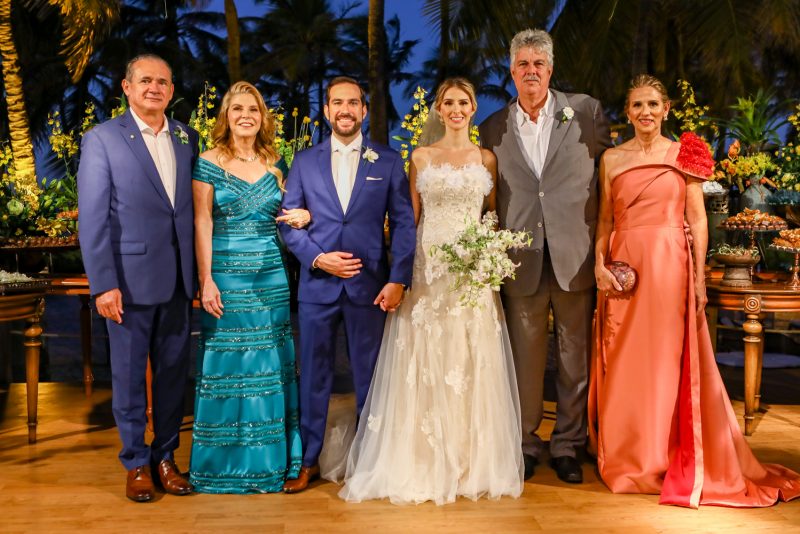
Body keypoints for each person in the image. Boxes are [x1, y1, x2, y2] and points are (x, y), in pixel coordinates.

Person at [589, 74, 800, 508]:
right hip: (624, 262)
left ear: (666, 109)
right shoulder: (610, 158)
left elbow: (698, 218)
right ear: (627, 112)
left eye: (652, 104)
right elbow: (606, 220)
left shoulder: (682, 153)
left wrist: (699, 275)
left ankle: (665, 454)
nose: (644, 112)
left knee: (665, 360)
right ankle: (631, 456)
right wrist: (599, 264)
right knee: (625, 356)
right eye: (636, 105)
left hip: (669, 261)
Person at [339, 77, 524, 505]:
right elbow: (410, 219)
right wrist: (405, 273)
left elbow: (489, 216)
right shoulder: (420, 157)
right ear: (438, 110)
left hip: (471, 276)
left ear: (473, 108)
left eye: (464, 102)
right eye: (449, 102)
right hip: (430, 268)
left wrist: (488, 255)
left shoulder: (487, 158)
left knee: (469, 355)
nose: (456, 109)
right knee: (425, 355)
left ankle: (468, 460)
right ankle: (422, 457)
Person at [479, 29, 612, 484]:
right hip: (520, 258)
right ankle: (525, 443)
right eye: (522, 64)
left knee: (575, 357)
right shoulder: (492, 126)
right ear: (511, 71)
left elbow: (611, 179)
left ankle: (568, 445)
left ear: (551, 69)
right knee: (525, 357)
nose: (531, 71)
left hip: (576, 254)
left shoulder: (587, 112)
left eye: (539, 63)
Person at [279, 76, 416, 493]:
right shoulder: (303, 162)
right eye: (337, 102)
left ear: (364, 110)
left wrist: (399, 280)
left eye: (353, 103)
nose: (345, 109)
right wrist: (318, 258)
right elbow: (288, 224)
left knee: (370, 378)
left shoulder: (388, 161)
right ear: (326, 110)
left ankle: (368, 461)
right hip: (318, 287)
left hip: (369, 287)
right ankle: (308, 461)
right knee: (314, 376)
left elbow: (406, 225)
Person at [78, 54, 198, 502]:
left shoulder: (188, 137)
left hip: (179, 281)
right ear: (126, 88)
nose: (155, 87)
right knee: (128, 377)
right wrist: (102, 283)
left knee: (172, 374)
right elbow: (92, 219)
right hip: (126, 282)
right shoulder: (103, 139)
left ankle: (165, 457)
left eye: (163, 82)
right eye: (145, 80)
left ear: (171, 90)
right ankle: (135, 463)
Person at [189, 81, 311, 493]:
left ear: (263, 118)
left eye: (253, 110)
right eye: (238, 108)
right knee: (226, 367)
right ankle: (221, 467)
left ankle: (270, 463)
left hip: (270, 277)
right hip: (225, 275)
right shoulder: (206, 161)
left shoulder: (277, 162)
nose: (246, 115)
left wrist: (302, 215)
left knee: (269, 367)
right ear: (226, 116)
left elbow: (291, 210)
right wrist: (206, 279)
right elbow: (201, 221)